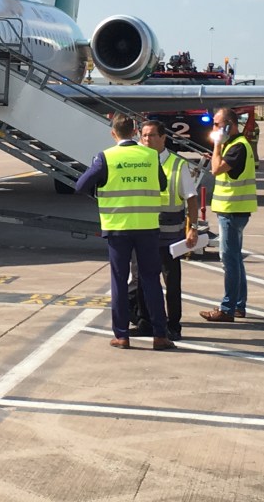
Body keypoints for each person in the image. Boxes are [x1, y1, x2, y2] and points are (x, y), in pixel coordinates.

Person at [75, 114, 176, 351]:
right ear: (134, 132)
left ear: (113, 133)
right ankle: (160, 335)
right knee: (151, 279)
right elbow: (161, 184)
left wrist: (100, 189)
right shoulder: (150, 156)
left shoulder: (106, 157)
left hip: (118, 227)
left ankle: (121, 335)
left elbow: (81, 185)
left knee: (120, 280)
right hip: (147, 226)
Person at [132, 120, 200, 341]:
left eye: (152, 136)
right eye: (144, 136)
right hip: (144, 232)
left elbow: (191, 200)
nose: (147, 140)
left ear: (163, 138)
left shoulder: (177, 165)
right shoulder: (138, 162)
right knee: (142, 278)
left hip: (170, 235)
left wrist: (193, 229)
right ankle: (145, 322)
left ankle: (173, 324)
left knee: (171, 282)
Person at [200, 107, 257, 323]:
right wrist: (218, 152)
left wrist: (216, 146)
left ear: (228, 125)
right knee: (235, 258)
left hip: (232, 210)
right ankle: (238, 305)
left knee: (229, 259)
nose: (213, 128)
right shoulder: (235, 145)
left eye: (216, 124)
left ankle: (227, 309)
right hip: (234, 210)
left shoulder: (236, 147)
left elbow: (216, 170)